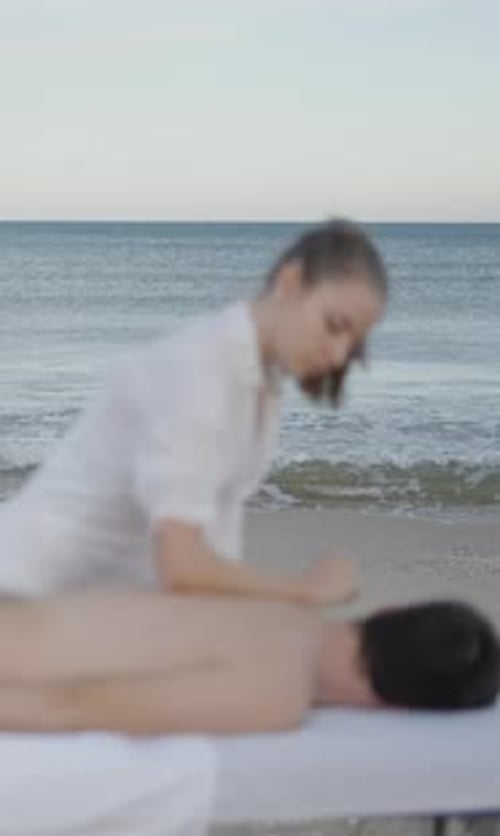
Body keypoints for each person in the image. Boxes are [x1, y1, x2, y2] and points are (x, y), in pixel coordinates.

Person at [0, 219, 387, 605]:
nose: (339, 354)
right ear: (290, 282)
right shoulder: (200, 374)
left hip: (94, 609)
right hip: (23, 598)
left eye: (353, 343)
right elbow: (182, 567)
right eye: (335, 326)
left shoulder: (256, 377)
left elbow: (213, 547)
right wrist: (306, 590)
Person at [0, 591, 497, 735]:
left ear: (387, 611)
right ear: (397, 709)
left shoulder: (275, 606)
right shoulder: (274, 695)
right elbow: (79, 705)